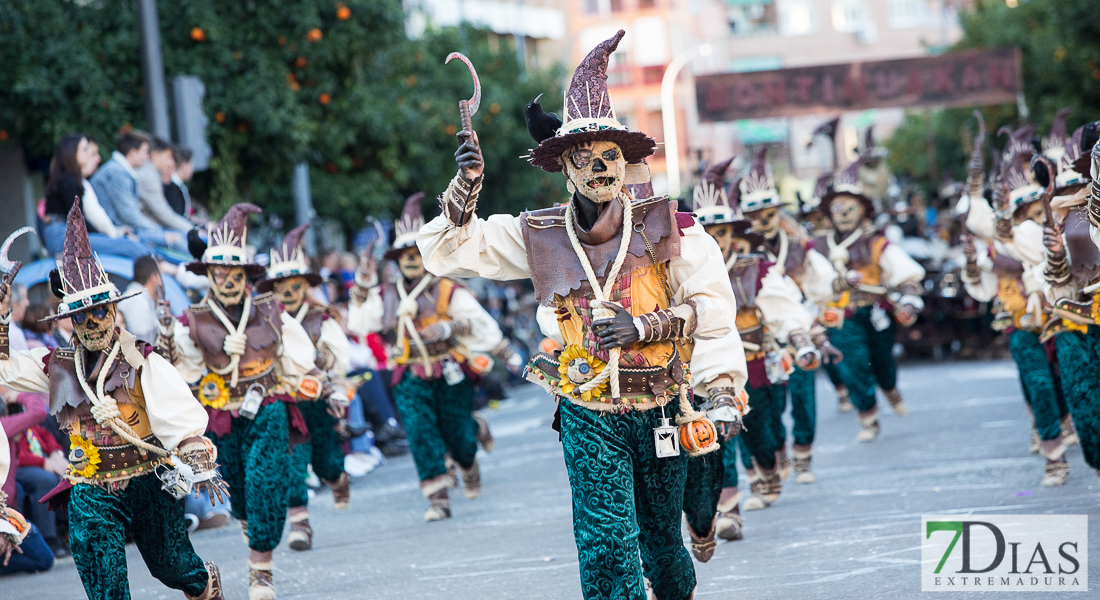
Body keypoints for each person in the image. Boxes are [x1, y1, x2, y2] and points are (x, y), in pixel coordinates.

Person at [417, 30, 747, 600]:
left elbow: (713, 310)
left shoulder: (672, 227)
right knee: (604, 541)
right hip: (587, 406)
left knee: (662, 544)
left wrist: (712, 384)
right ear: (565, 167)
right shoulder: (539, 235)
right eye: (585, 158)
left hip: (661, 403)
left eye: (610, 156)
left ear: (626, 161)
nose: (599, 167)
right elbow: (448, 249)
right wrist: (465, 187)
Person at [0, 200, 226, 599]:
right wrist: (1, 317)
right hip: (90, 482)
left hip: (148, 476)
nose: (91, 324)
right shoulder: (57, 364)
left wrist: (193, 450)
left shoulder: (143, 359)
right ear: (69, 318)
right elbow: (5, 368)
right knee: (102, 578)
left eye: (99, 313)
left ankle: (203, 583)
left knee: (172, 565)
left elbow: (179, 415)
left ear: (112, 311)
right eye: (81, 316)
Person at [158, 203, 325, 600]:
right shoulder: (193, 319)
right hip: (221, 415)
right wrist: (169, 341)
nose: (228, 280)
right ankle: (255, 531)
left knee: (266, 478)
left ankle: (260, 570)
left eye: (235, 274)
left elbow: (300, 357)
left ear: (246, 275)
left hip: (267, 406)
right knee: (240, 492)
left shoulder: (271, 311)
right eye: (220, 274)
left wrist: (307, 381)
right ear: (209, 276)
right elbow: (186, 372)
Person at [348, 193, 502, 522]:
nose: (409, 260)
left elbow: (484, 328)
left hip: (449, 370)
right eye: (404, 255)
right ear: (396, 261)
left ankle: (470, 450)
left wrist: (448, 328)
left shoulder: (447, 288)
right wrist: (362, 283)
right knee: (419, 432)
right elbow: (359, 323)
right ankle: (438, 497)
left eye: (416, 252)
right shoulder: (386, 294)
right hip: (410, 375)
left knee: (458, 435)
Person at [959, 121, 1074, 486]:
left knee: (1062, 381)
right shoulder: (1002, 243)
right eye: (1027, 214)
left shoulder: (1058, 233)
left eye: (1040, 212)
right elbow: (983, 285)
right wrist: (975, 266)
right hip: (1021, 324)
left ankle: (1060, 422)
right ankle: (1053, 455)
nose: (1035, 219)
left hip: (1063, 317)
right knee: (1037, 381)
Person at [738, 149, 843, 484]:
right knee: (764, 406)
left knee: (802, 395)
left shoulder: (799, 247)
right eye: (753, 215)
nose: (761, 221)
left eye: (767, 213)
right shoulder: (739, 254)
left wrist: (820, 312)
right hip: (757, 338)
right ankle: (773, 455)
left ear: (776, 212)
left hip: (797, 328)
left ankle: (802, 457)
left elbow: (822, 284)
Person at [816, 157, 926, 442]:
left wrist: (911, 298)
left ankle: (890, 387)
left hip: (876, 311)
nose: (843, 213)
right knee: (852, 364)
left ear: (863, 210)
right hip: (842, 317)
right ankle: (869, 418)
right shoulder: (818, 246)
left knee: (881, 362)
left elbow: (906, 274)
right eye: (837, 207)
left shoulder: (876, 242)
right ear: (829, 212)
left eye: (850, 207)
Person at [257, 223, 352, 551]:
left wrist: (324, 362)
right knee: (291, 465)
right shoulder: (264, 321)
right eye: (280, 285)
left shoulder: (320, 318)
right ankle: (301, 525)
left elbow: (341, 358)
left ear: (303, 286)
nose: (286, 291)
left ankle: (338, 478)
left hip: (316, 400)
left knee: (327, 462)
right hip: (284, 402)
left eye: (293, 285)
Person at [1037, 117, 1098, 485]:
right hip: (1082, 323)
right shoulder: (1069, 213)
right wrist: (1057, 254)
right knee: (1088, 410)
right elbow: (1058, 280)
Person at [90, 130, 186, 251]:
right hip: (115, 232)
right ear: (133, 153)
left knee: (176, 238)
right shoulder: (117, 172)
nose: (147, 157)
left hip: (122, 229)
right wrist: (159, 233)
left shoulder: (120, 170)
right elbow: (128, 215)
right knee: (176, 241)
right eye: (145, 152)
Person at [137, 137, 196, 234]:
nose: (171, 163)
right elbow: (164, 214)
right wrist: (193, 230)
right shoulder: (149, 176)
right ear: (155, 156)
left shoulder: (151, 174)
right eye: (168, 157)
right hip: (148, 231)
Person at [117, 255, 164, 343]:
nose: (162, 282)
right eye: (161, 276)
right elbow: (143, 345)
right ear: (153, 278)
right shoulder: (137, 301)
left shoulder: (143, 298)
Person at [168, 146, 194, 219]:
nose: (192, 169)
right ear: (184, 165)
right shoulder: (172, 187)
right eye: (191, 165)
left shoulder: (178, 186)